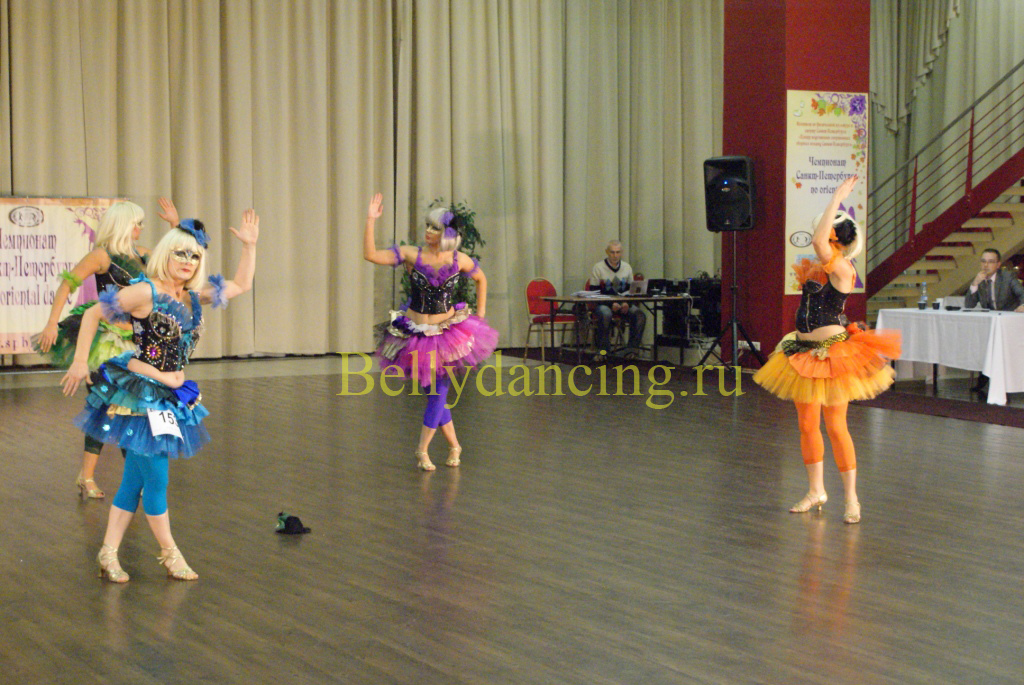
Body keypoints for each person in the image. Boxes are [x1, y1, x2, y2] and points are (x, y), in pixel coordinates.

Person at [61, 210, 260, 582]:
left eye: (195, 255)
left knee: (134, 481)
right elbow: (92, 315)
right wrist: (78, 361)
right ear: (166, 253)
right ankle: (170, 553)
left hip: (171, 395)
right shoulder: (145, 291)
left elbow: (242, 284)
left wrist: (249, 246)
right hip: (143, 395)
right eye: (180, 253)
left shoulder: (193, 297)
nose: (188, 261)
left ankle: (108, 553)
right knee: (156, 480)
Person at [752, 176, 900, 525]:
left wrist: (837, 197)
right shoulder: (819, 267)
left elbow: (818, 239)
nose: (819, 236)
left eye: (826, 232)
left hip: (832, 355)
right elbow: (818, 241)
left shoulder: (843, 269)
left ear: (835, 239)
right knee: (807, 425)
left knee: (835, 426)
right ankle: (816, 490)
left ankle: (851, 498)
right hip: (803, 351)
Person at [34, 198, 179, 499]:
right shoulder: (102, 256)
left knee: (131, 408)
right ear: (124, 225)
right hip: (105, 340)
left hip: (135, 339)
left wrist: (175, 226)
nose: (141, 228)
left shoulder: (144, 254)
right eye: (137, 223)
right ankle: (89, 476)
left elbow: (175, 262)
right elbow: (67, 284)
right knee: (107, 405)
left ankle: (121, 478)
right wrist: (51, 323)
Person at [364, 193, 498, 471]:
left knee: (438, 394)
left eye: (435, 228)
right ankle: (455, 446)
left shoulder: (459, 259)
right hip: (415, 335)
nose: (428, 231)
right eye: (427, 225)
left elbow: (481, 279)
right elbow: (371, 255)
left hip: (447, 336)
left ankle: (422, 449)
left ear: (446, 233)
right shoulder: (412, 254)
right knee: (434, 395)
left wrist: (481, 314)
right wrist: (370, 220)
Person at [962, 248, 1024, 394]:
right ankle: (984, 376)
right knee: (982, 344)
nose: (986, 265)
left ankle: (1004, 380)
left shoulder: (1007, 277)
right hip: (991, 324)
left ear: (998, 265)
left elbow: (1022, 293)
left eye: (990, 262)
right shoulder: (979, 279)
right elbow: (969, 305)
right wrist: (975, 284)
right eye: (983, 261)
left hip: (1010, 323)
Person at [590, 240, 646, 358]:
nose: (615, 255)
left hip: (623, 303)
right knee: (605, 313)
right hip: (604, 304)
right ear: (607, 252)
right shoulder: (598, 267)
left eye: (618, 252)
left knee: (639, 315)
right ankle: (603, 352)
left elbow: (632, 291)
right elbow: (593, 293)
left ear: (621, 252)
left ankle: (631, 350)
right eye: (612, 252)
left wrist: (627, 303)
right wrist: (611, 304)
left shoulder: (627, 267)